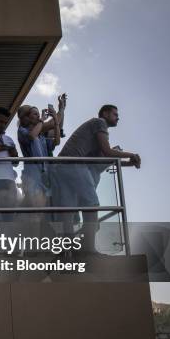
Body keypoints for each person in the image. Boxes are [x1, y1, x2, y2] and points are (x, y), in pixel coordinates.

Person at [54, 104, 141, 253]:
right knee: (91, 204)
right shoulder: (99, 123)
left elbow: (98, 162)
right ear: (105, 114)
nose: (118, 117)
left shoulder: (93, 131)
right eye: (115, 114)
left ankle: (66, 252)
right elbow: (107, 152)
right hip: (74, 164)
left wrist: (127, 163)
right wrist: (131, 155)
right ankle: (88, 251)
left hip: (61, 166)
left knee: (68, 212)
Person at [17, 93, 66, 210]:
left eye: (38, 114)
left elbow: (56, 138)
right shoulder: (23, 130)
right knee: (36, 207)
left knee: (44, 207)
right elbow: (33, 135)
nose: (38, 116)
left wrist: (57, 115)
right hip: (32, 173)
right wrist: (46, 118)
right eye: (34, 114)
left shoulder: (41, 134)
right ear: (25, 118)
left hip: (45, 173)